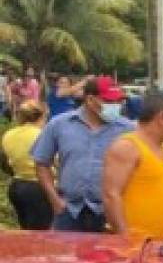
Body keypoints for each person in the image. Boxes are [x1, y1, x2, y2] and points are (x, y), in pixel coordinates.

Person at [31, 75, 133, 232]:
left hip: (109, 213)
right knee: (64, 255)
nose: (115, 106)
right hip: (70, 211)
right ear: (90, 100)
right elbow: (41, 162)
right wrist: (54, 200)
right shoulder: (59, 124)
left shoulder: (127, 129)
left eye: (118, 101)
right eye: (109, 101)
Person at [102, 90, 163, 241]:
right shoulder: (127, 147)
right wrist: (126, 240)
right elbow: (111, 195)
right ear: (162, 117)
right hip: (137, 249)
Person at [2, 101, 54, 229]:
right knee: (41, 232)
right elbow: (55, 162)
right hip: (39, 188)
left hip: (17, 186)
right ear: (41, 116)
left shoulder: (9, 134)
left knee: (25, 229)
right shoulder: (42, 135)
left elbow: (4, 160)